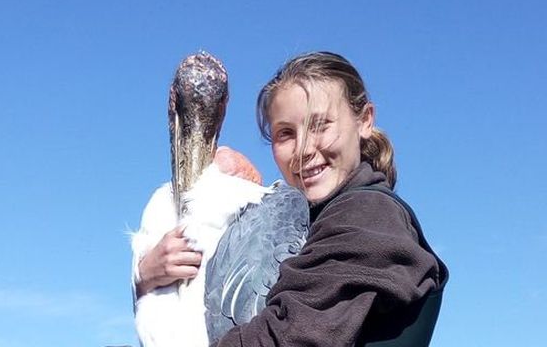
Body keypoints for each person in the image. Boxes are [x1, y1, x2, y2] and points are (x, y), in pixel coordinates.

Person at [135, 51, 448, 346]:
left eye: (321, 125)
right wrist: (146, 277)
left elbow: (288, 337)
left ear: (364, 120)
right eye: (286, 133)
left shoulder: (369, 216)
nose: (304, 150)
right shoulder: (310, 218)